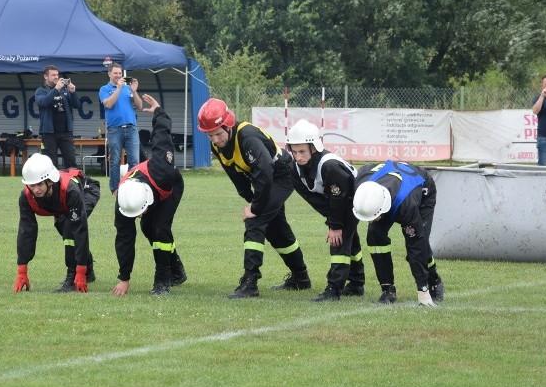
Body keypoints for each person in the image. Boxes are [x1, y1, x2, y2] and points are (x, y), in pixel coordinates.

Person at [198, 97, 311, 298]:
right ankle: (300, 277)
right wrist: (250, 199)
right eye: (209, 135)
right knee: (277, 229)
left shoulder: (247, 137)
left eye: (217, 133)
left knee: (255, 221)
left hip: (282, 175)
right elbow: (236, 177)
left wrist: (256, 207)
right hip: (265, 178)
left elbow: (266, 172)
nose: (215, 140)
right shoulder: (218, 146)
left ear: (228, 125)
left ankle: (251, 281)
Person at [111, 94, 187, 296]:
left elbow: (162, 133)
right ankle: (176, 269)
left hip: (169, 185)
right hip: (148, 187)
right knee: (146, 227)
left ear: (147, 202)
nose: (136, 215)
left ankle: (163, 278)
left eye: (140, 211)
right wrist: (124, 278)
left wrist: (158, 112)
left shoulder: (163, 166)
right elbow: (124, 240)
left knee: (160, 228)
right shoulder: (124, 201)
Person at [285, 119, 365, 302]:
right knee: (351, 243)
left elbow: (341, 197)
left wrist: (335, 226)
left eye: (302, 151)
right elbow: (312, 198)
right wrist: (330, 218)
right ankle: (356, 284)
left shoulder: (330, 166)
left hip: (354, 200)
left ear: (314, 147)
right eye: (294, 151)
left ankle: (334, 289)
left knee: (339, 240)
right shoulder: (294, 169)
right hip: (337, 202)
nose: (298, 157)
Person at [353, 160, 444, 307]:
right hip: (388, 183)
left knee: (421, 244)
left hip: (421, 190)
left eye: (373, 217)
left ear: (383, 207)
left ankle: (433, 280)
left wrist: (422, 289)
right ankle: (387, 289)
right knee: (374, 235)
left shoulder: (406, 205)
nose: (370, 221)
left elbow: (416, 246)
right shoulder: (361, 185)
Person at [14, 153, 100, 293]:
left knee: (70, 228)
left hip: (86, 192)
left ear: (50, 181)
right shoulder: (26, 197)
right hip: (60, 203)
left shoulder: (70, 190)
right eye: (32, 185)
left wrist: (79, 271)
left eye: (40, 184)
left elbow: (80, 230)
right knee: (65, 228)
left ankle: (73, 276)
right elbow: (26, 231)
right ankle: (89, 271)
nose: (36, 190)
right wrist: (21, 271)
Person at [99, 63, 143, 194]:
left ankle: (133, 186)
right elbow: (108, 104)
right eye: (115, 73)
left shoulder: (127, 88)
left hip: (131, 128)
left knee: (134, 160)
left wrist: (134, 91)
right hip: (115, 129)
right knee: (115, 160)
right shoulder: (104, 89)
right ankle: (115, 189)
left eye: (120, 73)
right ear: (109, 74)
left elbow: (140, 106)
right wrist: (118, 89)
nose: (118, 75)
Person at [34, 65, 80, 169]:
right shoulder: (41, 90)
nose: (56, 77)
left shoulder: (64, 90)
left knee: (71, 162)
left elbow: (77, 105)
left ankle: (72, 184)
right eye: (53, 75)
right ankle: (52, 185)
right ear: (46, 76)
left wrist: (72, 92)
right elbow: (43, 102)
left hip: (66, 133)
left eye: (57, 74)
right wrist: (56, 89)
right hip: (49, 133)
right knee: (50, 163)